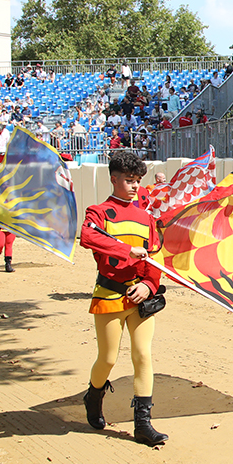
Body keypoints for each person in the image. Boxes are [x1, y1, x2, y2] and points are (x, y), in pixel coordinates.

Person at [79, 150, 168, 446]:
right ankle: (94, 396)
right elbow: (89, 237)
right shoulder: (98, 212)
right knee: (107, 358)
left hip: (140, 298)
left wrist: (149, 285)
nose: (134, 186)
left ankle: (143, 423)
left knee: (143, 355)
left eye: (137, 181)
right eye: (129, 180)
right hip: (109, 294)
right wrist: (125, 250)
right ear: (114, 179)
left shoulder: (146, 216)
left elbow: (156, 258)